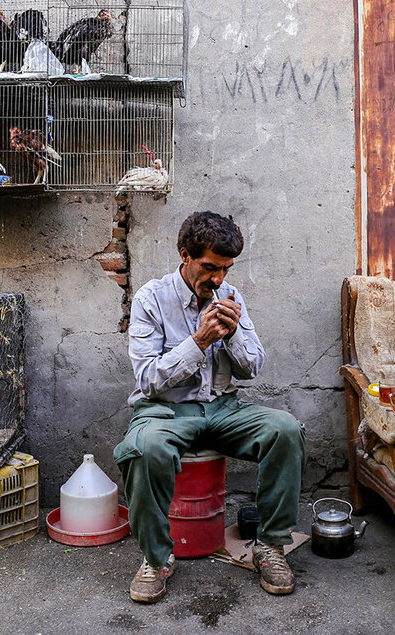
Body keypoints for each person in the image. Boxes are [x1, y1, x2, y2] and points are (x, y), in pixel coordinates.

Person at [114, 211, 306, 604]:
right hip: (165, 409)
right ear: (185, 255)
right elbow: (148, 378)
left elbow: (253, 367)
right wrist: (198, 341)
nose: (218, 279)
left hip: (222, 408)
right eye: (210, 268)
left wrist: (233, 335)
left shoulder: (230, 296)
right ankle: (156, 558)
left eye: (226, 269)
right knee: (145, 448)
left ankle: (270, 546)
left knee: (285, 429)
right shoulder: (151, 298)